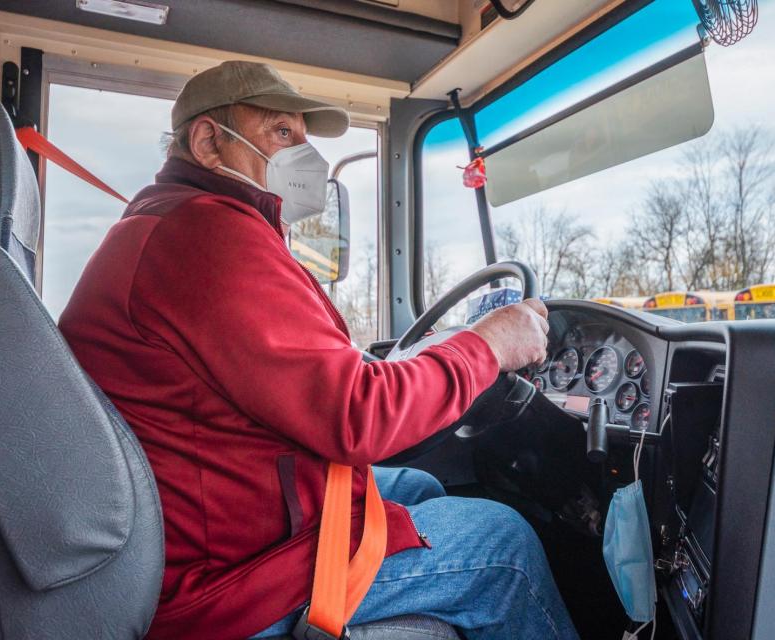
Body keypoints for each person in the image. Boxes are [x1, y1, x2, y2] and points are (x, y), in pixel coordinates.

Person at [59, 60, 579, 640]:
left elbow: (312, 380)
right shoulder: (208, 238)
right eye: (281, 132)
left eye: (303, 139)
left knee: (420, 488)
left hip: (216, 519)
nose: (304, 157)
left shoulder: (172, 224)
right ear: (209, 141)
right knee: (502, 541)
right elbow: (357, 416)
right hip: (224, 580)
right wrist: (485, 346)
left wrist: (432, 361)